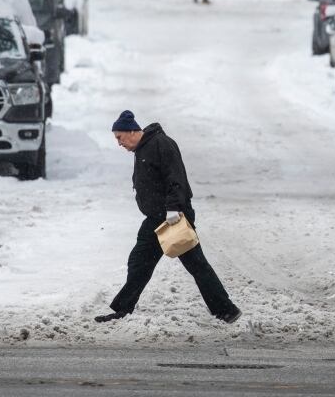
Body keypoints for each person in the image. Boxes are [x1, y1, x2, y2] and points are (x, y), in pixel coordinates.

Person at [95, 110, 241, 324]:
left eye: (119, 137)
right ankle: (122, 310)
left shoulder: (162, 144)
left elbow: (176, 179)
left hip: (174, 217)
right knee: (138, 262)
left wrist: (174, 210)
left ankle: (226, 310)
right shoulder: (143, 149)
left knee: (196, 265)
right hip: (155, 219)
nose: (119, 143)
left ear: (132, 131)